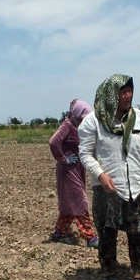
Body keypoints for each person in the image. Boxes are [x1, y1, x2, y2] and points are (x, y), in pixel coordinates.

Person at [79, 74, 140, 280]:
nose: (128, 95)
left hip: (139, 188)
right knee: (107, 235)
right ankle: (109, 276)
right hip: (107, 190)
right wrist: (101, 175)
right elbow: (85, 153)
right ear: (110, 95)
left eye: (130, 90)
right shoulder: (93, 122)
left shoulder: (139, 118)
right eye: (123, 91)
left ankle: (138, 278)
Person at [49, 99, 98, 247]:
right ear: (77, 114)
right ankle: (90, 237)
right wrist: (63, 159)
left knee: (69, 204)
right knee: (80, 201)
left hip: (75, 169)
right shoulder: (67, 125)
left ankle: (59, 233)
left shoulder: (76, 126)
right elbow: (53, 142)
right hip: (68, 171)